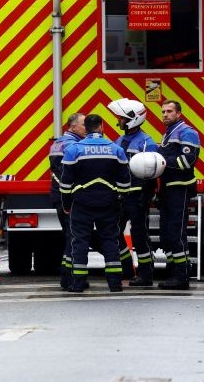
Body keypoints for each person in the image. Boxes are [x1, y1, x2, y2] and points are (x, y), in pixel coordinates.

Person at [60, 114, 131, 293]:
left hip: (82, 204)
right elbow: (125, 182)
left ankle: (78, 284)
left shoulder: (74, 150)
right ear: (101, 127)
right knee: (110, 242)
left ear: (86, 128)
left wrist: (67, 205)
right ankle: (115, 284)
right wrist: (120, 200)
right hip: (108, 204)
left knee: (80, 243)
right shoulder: (116, 149)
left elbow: (65, 184)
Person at [108, 98, 158, 286]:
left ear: (132, 119)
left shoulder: (147, 143)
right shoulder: (120, 140)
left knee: (139, 237)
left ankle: (146, 275)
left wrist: (147, 197)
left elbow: (153, 175)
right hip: (121, 196)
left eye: (121, 118)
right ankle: (127, 268)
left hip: (138, 197)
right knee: (113, 232)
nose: (118, 121)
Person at [156, 100, 200, 290]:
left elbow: (187, 161)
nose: (165, 114)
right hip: (168, 190)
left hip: (179, 189)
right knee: (167, 234)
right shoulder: (169, 133)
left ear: (179, 114)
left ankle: (181, 277)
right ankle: (173, 272)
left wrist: (160, 160)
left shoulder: (187, 132)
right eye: (163, 111)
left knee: (176, 233)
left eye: (169, 111)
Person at [48, 113, 86, 290]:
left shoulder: (59, 142)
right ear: (73, 127)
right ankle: (69, 278)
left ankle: (68, 276)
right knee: (74, 238)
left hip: (60, 196)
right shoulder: (72, 145)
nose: (86, 128)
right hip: (68, 197)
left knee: (70, 237)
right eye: (83, 125)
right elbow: (70, 173)